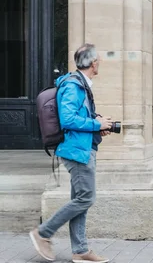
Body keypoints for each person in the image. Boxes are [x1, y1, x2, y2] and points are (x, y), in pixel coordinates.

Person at [29, 43, 113, 263]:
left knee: (80, 199)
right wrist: (96, 124)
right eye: (99, 60)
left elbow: (78, 117)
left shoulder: (80, 85)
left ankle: (81, 251)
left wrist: (99, 126)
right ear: (93, 63)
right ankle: (43, 233)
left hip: (82, 148)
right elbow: (68, 119)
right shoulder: (74, 86)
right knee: (86, 198)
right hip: (76, 151)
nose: (100, 63)